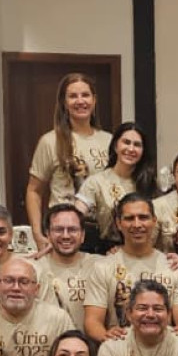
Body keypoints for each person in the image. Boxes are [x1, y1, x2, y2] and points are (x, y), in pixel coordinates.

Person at [89, 193, 178, 344]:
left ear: (154, 221)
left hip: (164, 350)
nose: (137, 224)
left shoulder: (173, 267)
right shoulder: (103, 267)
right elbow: (92, 322)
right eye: (129, 218)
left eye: (143, 217)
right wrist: (107, 337)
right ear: (118, 223)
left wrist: (176, 341)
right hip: (120, 350)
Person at [25, 72, 110, 236]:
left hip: (103, 233)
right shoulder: (50, 141)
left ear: (94, 100)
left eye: (85, 95)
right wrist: (37, 234)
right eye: (73, 96)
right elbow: (34, 191)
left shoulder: (109, 141)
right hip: (65, 232)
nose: (80, 101)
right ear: (64, 103)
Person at [73, 121, 156, 251]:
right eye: (126, 142)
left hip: (144, 249)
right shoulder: (96, 182)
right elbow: (74, 217)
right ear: (116, 146)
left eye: (137, 145)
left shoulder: (150, 183)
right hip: (108, 251)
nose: (131, 149)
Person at [30, 205, 96, 327]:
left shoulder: (100, 265)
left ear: (82, 235)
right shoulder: (33, 270)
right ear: (48, 234)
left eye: (72, 230)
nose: (65, 236)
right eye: (58, 230)